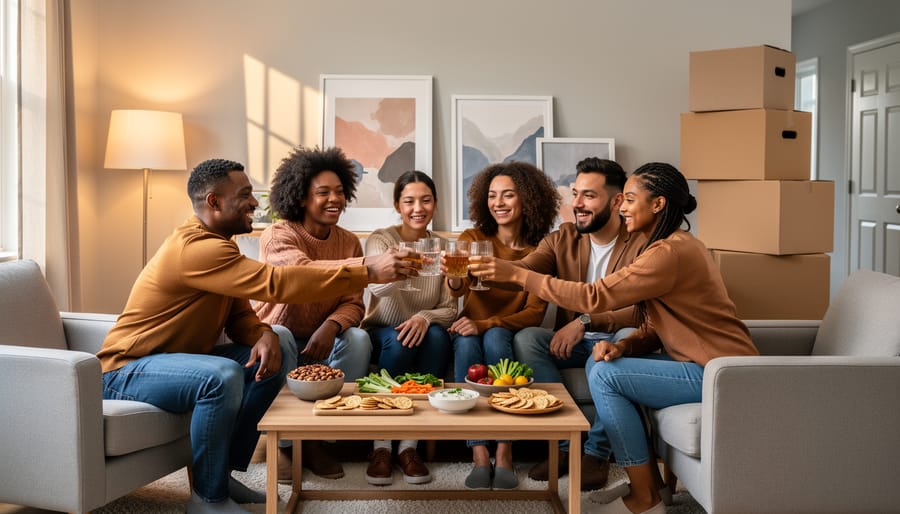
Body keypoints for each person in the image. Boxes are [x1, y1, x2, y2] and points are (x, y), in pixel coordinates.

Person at [97, 159, 414, 514]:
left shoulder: (222, 246)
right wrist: (367, 269)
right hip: (127, 369)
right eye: (245, 194)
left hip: (178, 361)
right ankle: (208, 499)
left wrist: (263, 333)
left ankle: (219, 476)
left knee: (276, 352)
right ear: (215, 202)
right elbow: (276, 282)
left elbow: (239, 315)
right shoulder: (197, 248)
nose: (254, 202)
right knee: (221, 376)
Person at [473, 162, 759, 514]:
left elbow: (595, 296)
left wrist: (519, 276)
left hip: (720, 372)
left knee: (607, 375)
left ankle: (644, 499)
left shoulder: (667, 253)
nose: (623, 207)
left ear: (658, 204)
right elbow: (655, 324)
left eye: (630, 200)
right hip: (704, 365)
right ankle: (651, 486)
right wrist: (624, 345)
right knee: (609, 362)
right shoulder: (668, 245)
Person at [505, 158, 645, 491]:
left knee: (624, 340)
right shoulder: (563, 238)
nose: (577, 204)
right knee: (528, 339)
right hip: (574, 343)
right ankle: (566, 447)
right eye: (575, 194)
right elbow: (525, 271)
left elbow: (643, 311)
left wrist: (585, 320)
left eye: (588, 196)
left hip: (614, 337)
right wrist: (478, 268)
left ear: (616, 201)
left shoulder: (641, 243)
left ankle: (596, 453)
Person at [253, 146, 371, 482]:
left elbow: (354, 303)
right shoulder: (277, 235)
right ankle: (287, 443)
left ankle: (320, 438)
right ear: (301, 197)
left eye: (340, 191)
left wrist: (331, 326)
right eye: (323, 192)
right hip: (280, 337)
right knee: (280, 335)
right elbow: (301, 273)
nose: (335, 199)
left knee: (359, 338)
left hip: (323, 338)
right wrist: (366, 266)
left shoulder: (349, 242)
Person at [446, 161, 559, 490]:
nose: (498, 203)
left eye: (508, 195)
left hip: (504, 330)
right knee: (466, 342)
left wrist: (487, 323)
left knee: (495, 337)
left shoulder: (542, 249)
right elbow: (458, 291)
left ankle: (505, 450)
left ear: (528, 199)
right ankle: (480, 453)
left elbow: (535, 313)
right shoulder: (473, 238)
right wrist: (453, 276)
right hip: (469, 330)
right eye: (492, 195)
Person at [361, 170, 455, 486]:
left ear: (435, 204)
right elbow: (376, 289)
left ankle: (409, 447)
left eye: (425, 200)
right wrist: (399, 269)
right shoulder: (382, 240)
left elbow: (450, 309)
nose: (418, 208)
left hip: (425, 331)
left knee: (438, 338)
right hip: (382, 331)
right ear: (397, 205)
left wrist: (424, 317)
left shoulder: (444, 247)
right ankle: (382, 446)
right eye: (409, 201)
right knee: (401, 342)